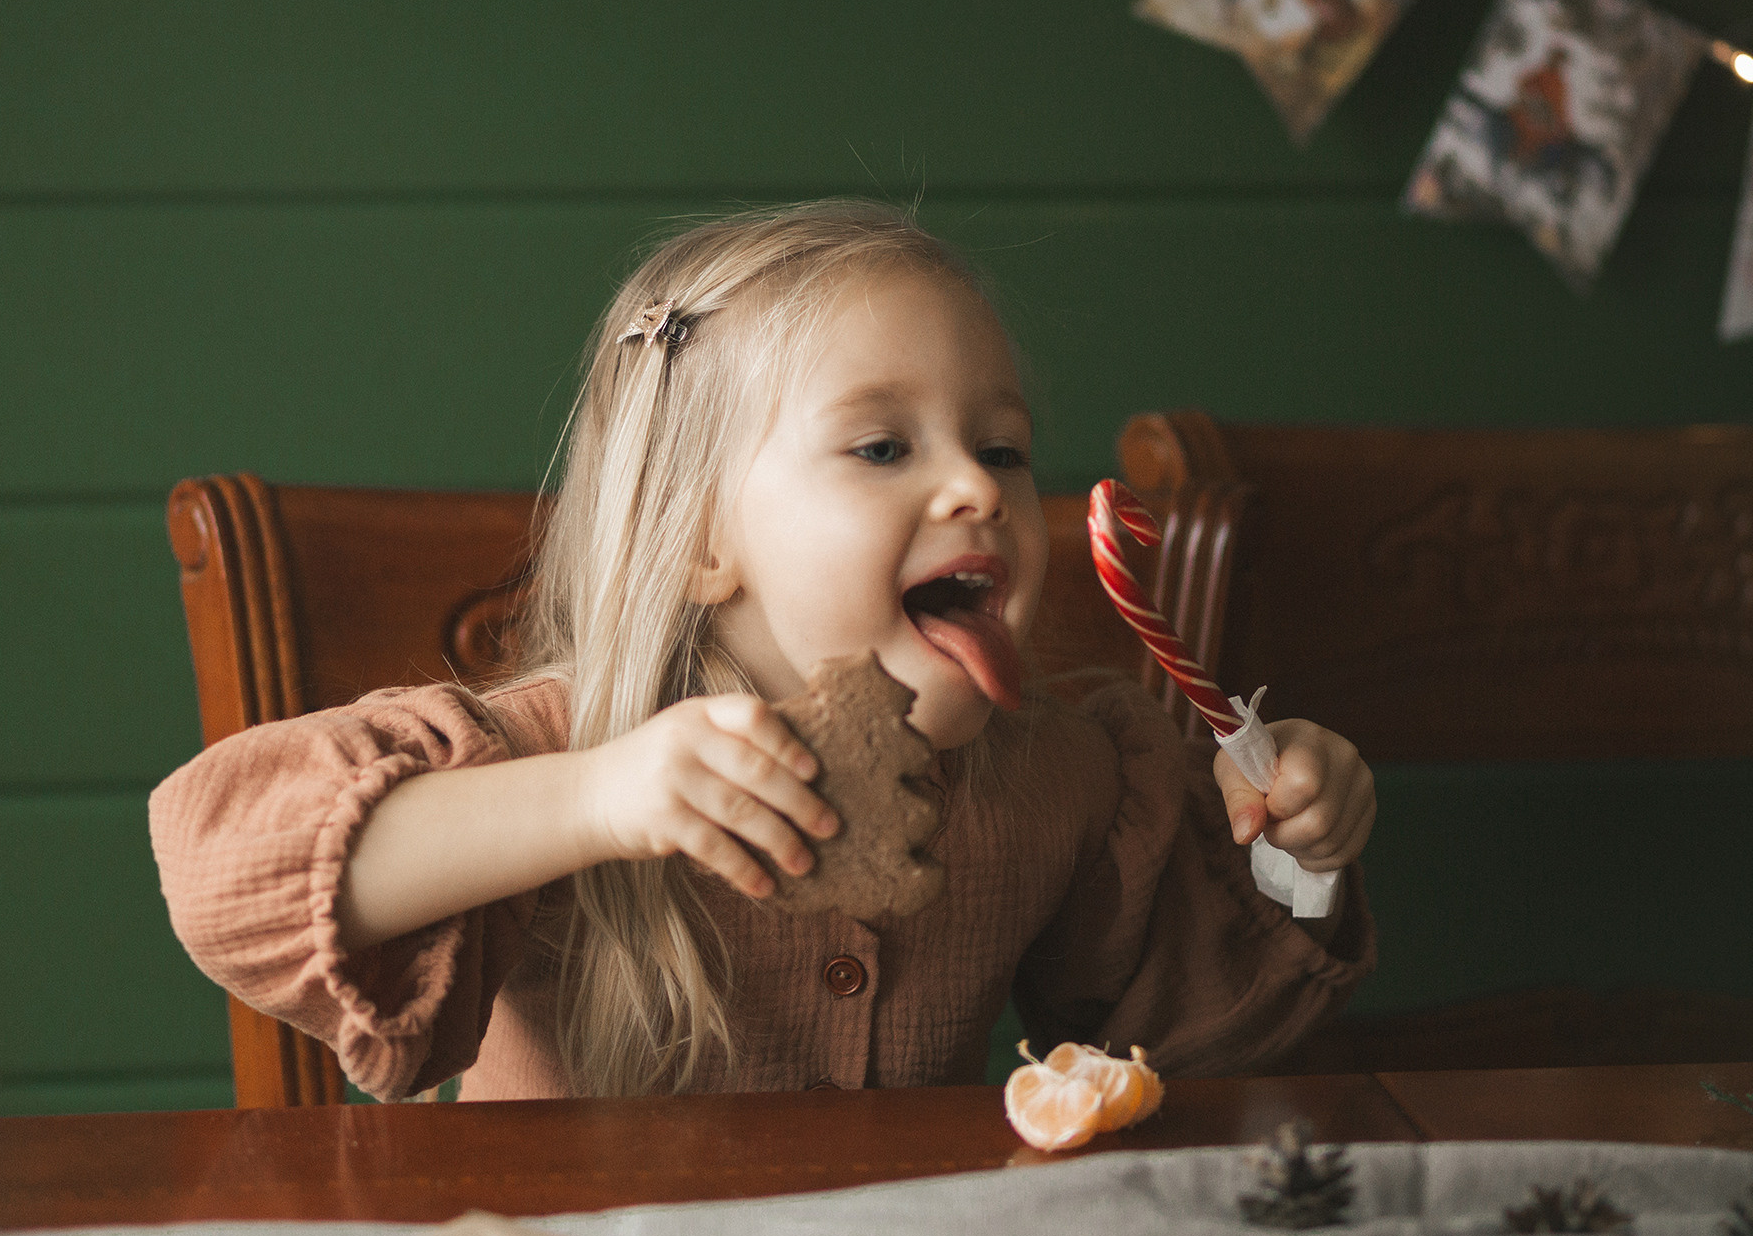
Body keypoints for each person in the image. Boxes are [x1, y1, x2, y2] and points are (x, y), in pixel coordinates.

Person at [150, 201, 1378, 1103]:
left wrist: (1287, 861)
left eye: (1000, 448)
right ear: (699, 539)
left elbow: (1188, 1040)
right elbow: (229, 878)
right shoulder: (568, 753)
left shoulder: (1056, 777)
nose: (976, 488)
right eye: (882, 449)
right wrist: (590, 802)